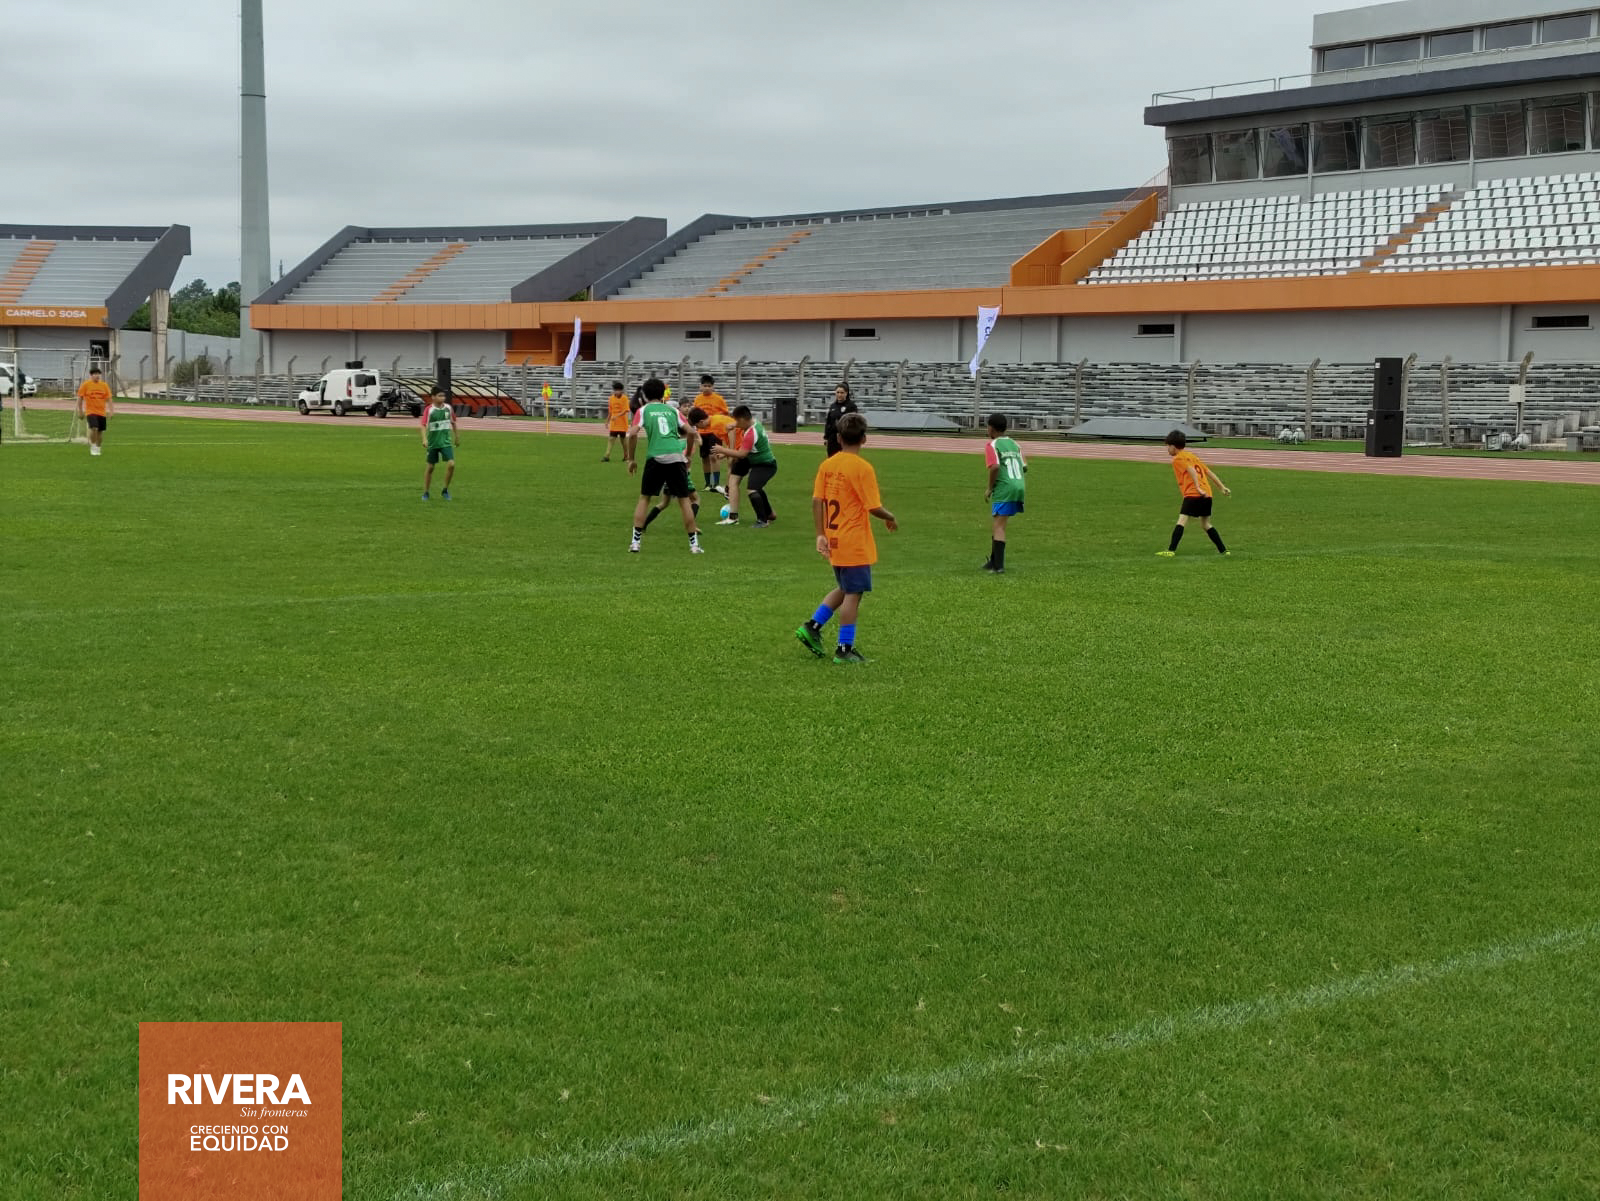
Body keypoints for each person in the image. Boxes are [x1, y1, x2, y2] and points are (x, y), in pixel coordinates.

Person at [795, 413, 896, 665]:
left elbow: (817, 500)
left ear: (838, 438)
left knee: (844, 587)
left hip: (834, 537)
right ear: (864, 439)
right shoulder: (863, 468)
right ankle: (844, 648)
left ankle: (812, 626)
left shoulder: (827, 465)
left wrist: (820, 534)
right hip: (853, 540)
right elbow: (873, 506)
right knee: (854, 593)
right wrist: (890, 516)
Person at [627, 377, 702, 554]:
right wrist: (687, 455)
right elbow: (691, 432)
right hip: (676, 457)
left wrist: (631, 459)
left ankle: (635, 543)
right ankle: (694, 545)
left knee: (645, 498)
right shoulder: (673, 410)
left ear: (645, 395)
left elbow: (632, 434)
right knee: (684, 500)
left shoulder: (643, 410)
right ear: (663, 394)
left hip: (656, 457)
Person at [1158, 429, 1230, 557]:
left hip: (1194, 493)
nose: (1167, 449)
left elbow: (1191, 470)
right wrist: (1222, 487)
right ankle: (1224, 551)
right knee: (1205, 524)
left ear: (1173, 446)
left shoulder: (1178, 459)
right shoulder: (1192, 456)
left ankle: (1170, 551)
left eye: (1167, 446)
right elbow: (1208, 472)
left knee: (1182, 521)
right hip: (1207, 494)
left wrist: (1197, 487)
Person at [715, 404, 779, 528]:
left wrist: (723, 450)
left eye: (737, 421)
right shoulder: (753, 422)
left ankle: (763, 520)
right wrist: (733, 425)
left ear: (742, 419)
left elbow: (741, 454)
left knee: (753, 489)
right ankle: (734, 517)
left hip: (765, 464)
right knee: (733, 479)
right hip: (751, 459)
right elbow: (743, 451)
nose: (736, 424)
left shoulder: (751, 433)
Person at [982, 413, 1026, 573]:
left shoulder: (992, 445)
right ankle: (993, 560)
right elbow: (1025, 466)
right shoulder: (1014, 444)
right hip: (1019, 485)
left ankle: (998, 566)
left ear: (991, 428)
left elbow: (994, 467)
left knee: (999, 526)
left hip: (1005, 487)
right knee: (999, 523)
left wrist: (990, 487)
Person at [694, 374, 730, 493]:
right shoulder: (697, 399)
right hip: (702, 432)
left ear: (713, 387)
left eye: (709, 386)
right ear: (700, 386)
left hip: (715, 431)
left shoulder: (719, 399)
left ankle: (716, 484)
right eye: (705, 386)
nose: (707, 388)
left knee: (714, 456)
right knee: (704, 458)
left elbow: (726, 413)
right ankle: (708, 484)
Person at [420, 386, 457, 500]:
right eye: (440, 396)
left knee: (452, 464)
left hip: (446, 442)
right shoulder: (429, 410)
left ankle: (445, 490)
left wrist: (457, 437)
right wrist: (424, 439)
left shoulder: (448, 408)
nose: (443, 398)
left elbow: (453, 422)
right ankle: (426, 492)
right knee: (430, 467)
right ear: (433, 397)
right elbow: (423, 425)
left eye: (443, 396)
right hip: (433, 443)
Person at [75, 366, 113, 456]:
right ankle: (93, 446)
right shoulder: (86, 385)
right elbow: (80, 398)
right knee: (94, 428)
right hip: (91, 412)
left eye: (98, 374)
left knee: (100, 432)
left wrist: (111, 411)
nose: (97, 376)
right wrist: (80, 411)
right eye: (95, 374)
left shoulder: (104, 385)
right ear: (91, 375)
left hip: (102, 412)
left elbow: (109, 399)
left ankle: (98, 447)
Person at [822, 382, 858, 458]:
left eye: (842, 393)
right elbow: (828, 422)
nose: (839, 394)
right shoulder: (833, 406)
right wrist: (826, 437)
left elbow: (854, 423)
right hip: (833, 438)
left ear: (846, 393)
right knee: (832, 459)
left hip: (845, 438)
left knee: (845, 459)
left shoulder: (851, 406)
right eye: (837, 392)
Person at [601, 380, 630, 462]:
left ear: (621, 390)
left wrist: (617, 416)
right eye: (616, 390)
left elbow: (626, 410)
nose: (617, 392)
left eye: (619, 390)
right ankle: (607, 455)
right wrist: (607, 421)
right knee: (611, 439)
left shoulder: (624, 398)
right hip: (614, 423)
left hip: (622, 423)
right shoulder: (611, 398)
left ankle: (626, 455)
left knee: (623, 441)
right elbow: (610, 411)